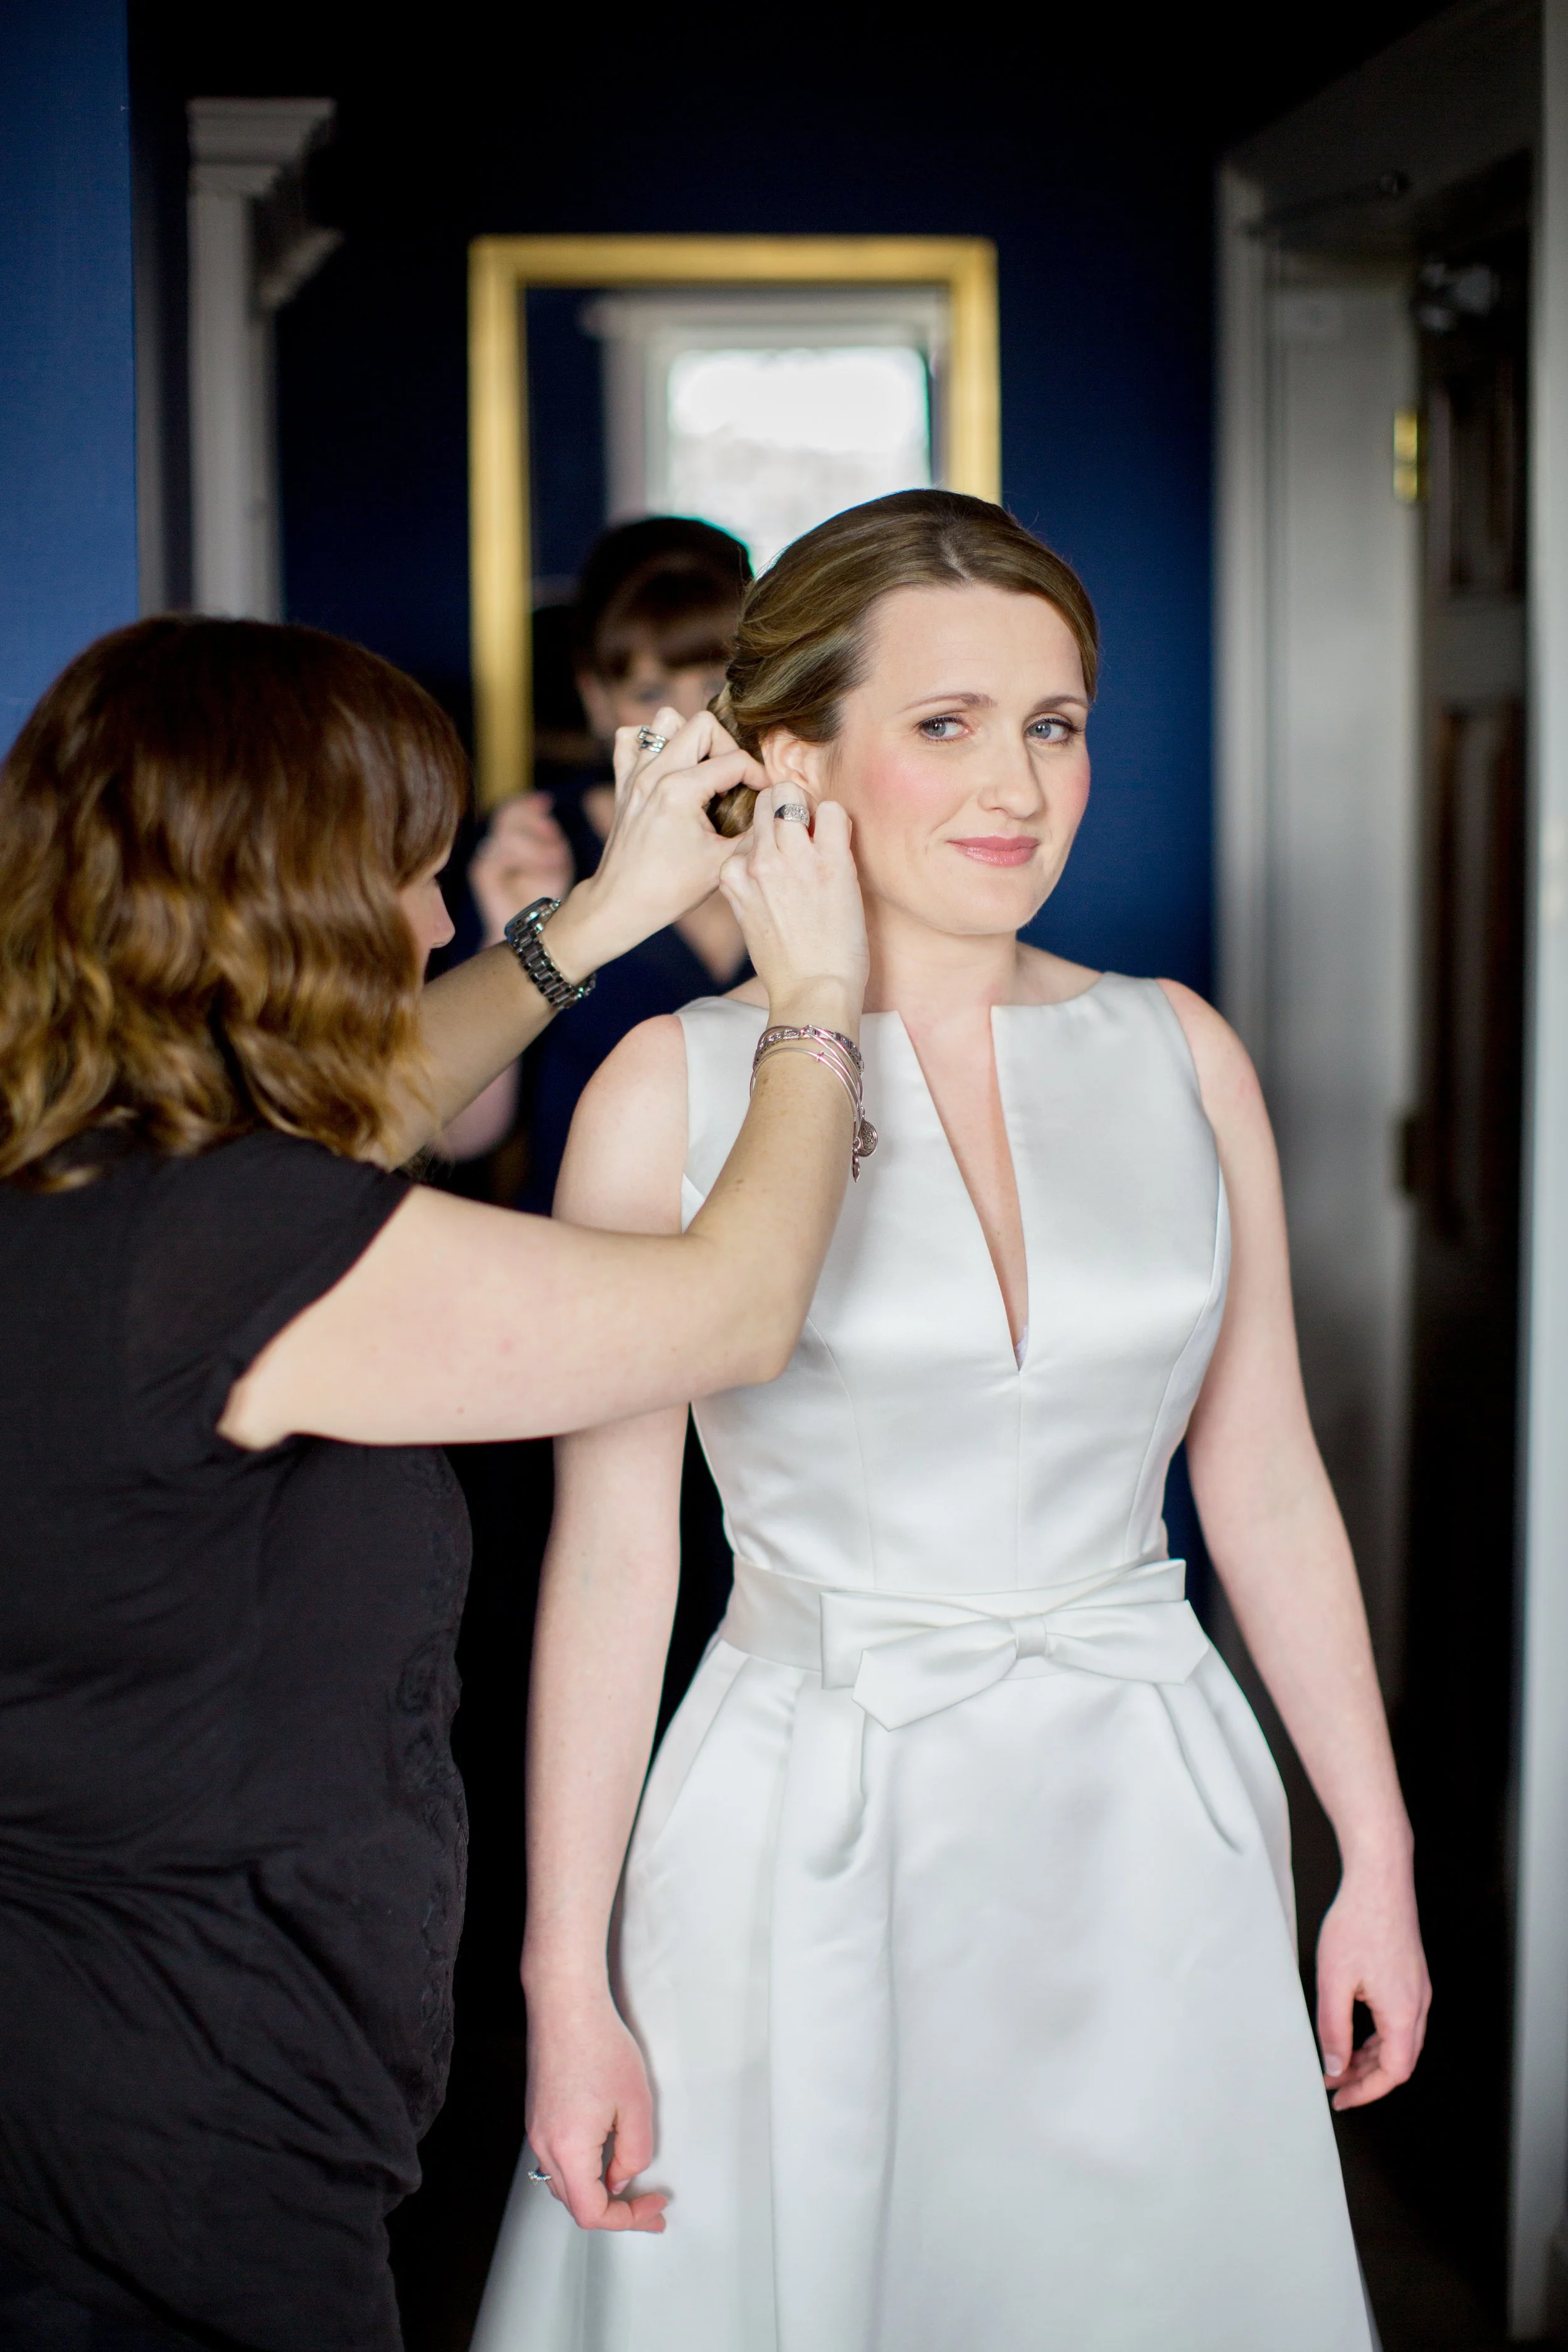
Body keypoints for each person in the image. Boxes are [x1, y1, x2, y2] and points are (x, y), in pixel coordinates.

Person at [473, 490, 1431, 2351]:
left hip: (1153, 1833)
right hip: (797, 1830)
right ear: (792, 757)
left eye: (1051, 723)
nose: (1018, 785)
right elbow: (606, 1568)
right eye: (945, 723)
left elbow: (1262, 1485)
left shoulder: (1178, 1048)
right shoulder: (661, 1096)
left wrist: (1368, 1856)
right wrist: (559, 1974)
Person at [0, 615, 868, 2352]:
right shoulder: (228, 1243)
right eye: (397, 877)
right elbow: (734, 1306)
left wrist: (597, 922)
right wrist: (819, 1001)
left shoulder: (101, 1170)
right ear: (279, 898)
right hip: (177, 2115)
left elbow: (351, 1114)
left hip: (93, 2057)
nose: (424, 922)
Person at [447, 516, 755, 1205]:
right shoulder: (532, 845)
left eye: (717, 682)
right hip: (582, 1267)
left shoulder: (818, 841)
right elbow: (456, 1133)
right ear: (595, 698)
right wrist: (515, 934)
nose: (689, 725)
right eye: (649, 693)